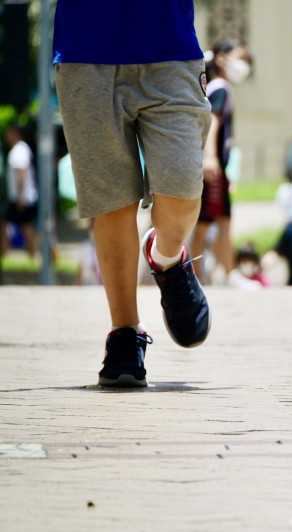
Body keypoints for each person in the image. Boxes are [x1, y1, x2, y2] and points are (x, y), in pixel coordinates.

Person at [53, 0, 212, 387]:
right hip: (85, 53)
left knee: (182, 190)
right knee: (111, 202)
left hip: (170, 50)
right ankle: (125, 333)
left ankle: (166, 256)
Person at [190, 39, 251, 284]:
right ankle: (194, 276)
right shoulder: (220, 88)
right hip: (215, 167)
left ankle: (229, 272)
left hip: (220, 169)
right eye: (241, 58)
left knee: (222, 220)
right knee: (205, 223)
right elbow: (213, 122)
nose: (244, 65)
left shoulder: (219, 87)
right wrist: (211, 157)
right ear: (222, 58)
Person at [3, 123, 39, 259]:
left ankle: (30, 254)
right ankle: (30, 254)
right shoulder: (21, 149)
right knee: (25, 226)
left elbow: (21, 173)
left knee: (26, 227)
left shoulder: (19, 150)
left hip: (22, 197)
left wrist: (20, 196)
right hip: (21, 196)